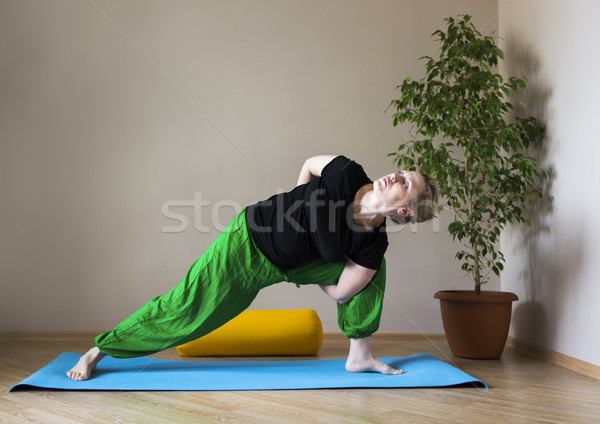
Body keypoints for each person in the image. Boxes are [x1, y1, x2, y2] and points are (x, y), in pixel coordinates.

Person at [66, 155, 439, 380]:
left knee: (374, 273)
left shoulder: (373, 242)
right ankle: (100, 351)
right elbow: (311, 164)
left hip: (290, 266)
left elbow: (344, 290)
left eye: (406, 183)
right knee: (186, 312)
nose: (395, 175)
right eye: (402, 171)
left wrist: (306, 275)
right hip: (247, 244)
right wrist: (298, 200)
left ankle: (360, 356)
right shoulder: (346, 172)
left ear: (405, 210)